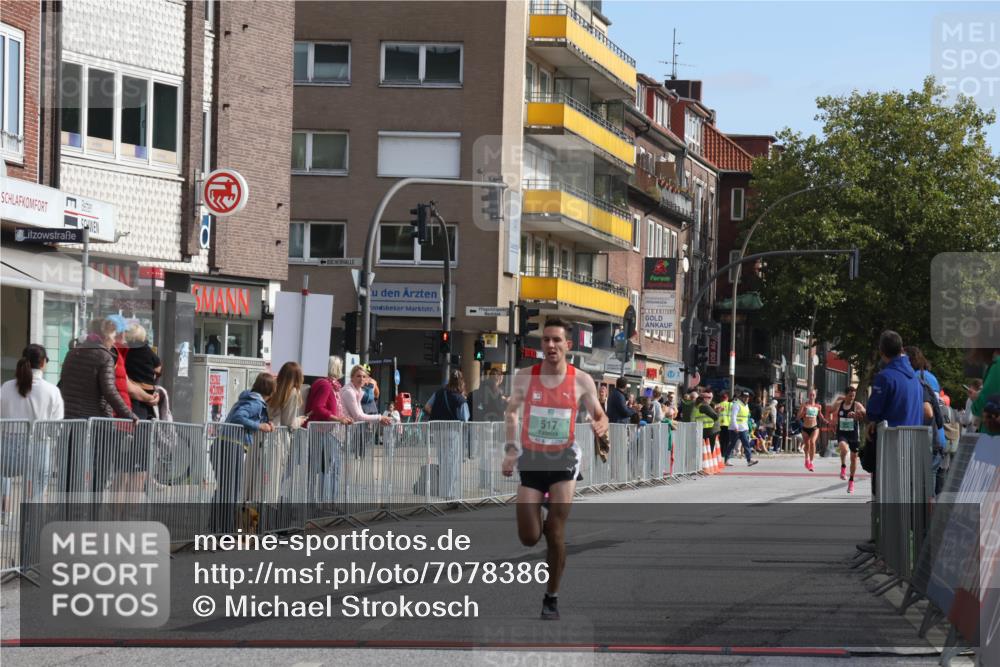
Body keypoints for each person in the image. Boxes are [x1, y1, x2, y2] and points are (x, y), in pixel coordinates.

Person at [501, 317, 609, 620]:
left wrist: (599, 424)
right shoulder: (524, 377)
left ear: (568, 345)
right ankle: (544, 525)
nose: (550, 345)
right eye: (546, 340)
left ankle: (551, 596)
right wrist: (510, 451)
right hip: (533, 459)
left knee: (556, 532)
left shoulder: (581, 380)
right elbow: (511, 414)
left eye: (556, 340)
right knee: (529, 536)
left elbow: (601, 415)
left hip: (564, 459)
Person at [1, 345, 64, 509]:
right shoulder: (52, 391)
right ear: (43, 363)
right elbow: (56, 427)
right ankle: (32, 522)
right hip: (39, 447)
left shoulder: (6, 386)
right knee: (37, 489)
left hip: (7, 447)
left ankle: (4, 511)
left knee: (3, 474)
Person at [213, 372, 275, 534]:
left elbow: (246, 417)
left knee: (225, 489)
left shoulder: (249, 398)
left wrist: (266, 423)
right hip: (231, 445)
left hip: (226, 444)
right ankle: (225, 530)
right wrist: (260, 426)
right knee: (230, 491)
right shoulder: (255, 402)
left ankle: (217, 528)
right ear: (270, 391)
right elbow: (239, 418)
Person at [123, 324, 161, 420]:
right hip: (148, 388)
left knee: (138, 414)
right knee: (149, 414)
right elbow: (158, 369)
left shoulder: (128, 352)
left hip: (134, 387)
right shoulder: (149, 351)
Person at [833, 386, 866, 493]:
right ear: (846, 395)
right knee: (844, 449)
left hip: (854, 435)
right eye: (850, 395)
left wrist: (856, 415)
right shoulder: (839, 404)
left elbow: (866, 415)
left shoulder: (857, 405)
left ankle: (851, 481)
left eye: (854, 396)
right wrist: (831, 421)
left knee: (853, 458)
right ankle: (843, 467)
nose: (852, 398)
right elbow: (830, 411)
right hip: (842, 433)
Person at [797, 389, 829, 472]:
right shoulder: (804, 405)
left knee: (812, 442)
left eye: (813, 395)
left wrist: (824, 420)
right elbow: (798, 417)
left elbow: (820, 414)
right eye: (810, 395)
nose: (812, 396)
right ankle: (806, 459)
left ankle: (811, 462)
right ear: (808, 396)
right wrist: (803, 412)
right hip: (805, 428)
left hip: (814, 427)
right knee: (807, 446)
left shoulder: (818, 406)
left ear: (815, 396)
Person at [729, 390, 759, 467]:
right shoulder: (737, 404)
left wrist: (748, 427)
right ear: (741, 397)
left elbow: (746, 417)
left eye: (747, 397)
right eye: (744, 397)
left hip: (743, 428)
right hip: (736, 428)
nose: (746, 399)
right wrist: (735, 427)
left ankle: (749, 460)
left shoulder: (746, 405)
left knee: (746, 444)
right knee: (732, 445)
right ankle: (726, 459)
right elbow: (733, 417)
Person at [715, 391, 732, 463]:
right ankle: (726, 455)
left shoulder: (718, 405)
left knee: (722, 440)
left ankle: (721, 453)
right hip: (729, 425)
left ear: (721, 398)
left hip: (721, 425)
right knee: (728, 441)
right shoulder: (730, 404)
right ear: (727, 398)